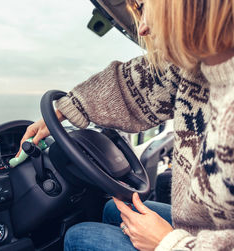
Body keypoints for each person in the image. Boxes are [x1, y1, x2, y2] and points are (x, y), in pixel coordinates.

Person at [17, 0, 234, 250]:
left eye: (142, 7)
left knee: (79, 236)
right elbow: (139, 84)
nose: (142, 29)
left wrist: (169, 244)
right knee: (112, 208)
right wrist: (62, 112)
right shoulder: (195, 68)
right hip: (203, 233)